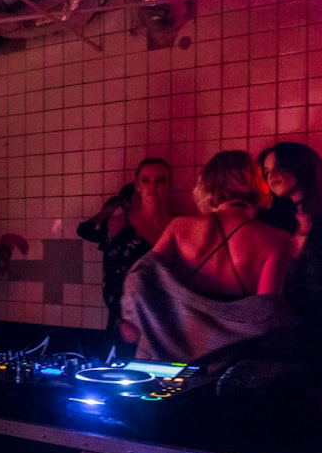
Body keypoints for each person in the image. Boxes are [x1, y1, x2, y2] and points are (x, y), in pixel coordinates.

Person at [120, 150, 295, 373]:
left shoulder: (180, 228)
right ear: (256, 183)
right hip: (229, 372)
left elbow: (138, 280)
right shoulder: (276, 241)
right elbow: (266, 318)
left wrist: (141, 322)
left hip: (171, 365)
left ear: (207, 183)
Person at [257, 142, 322, 398]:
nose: (271, 176)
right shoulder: (267, 221)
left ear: (302, 167)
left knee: (318, 409)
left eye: (278, 167)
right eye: (266, 171)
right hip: (273, 337)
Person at [78, 158, 173, 352]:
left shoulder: (177, 227)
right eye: (145, 180)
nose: (152, 187)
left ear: (169, 185)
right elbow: (112, 277)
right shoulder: (121, 224)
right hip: (128, 326)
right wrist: (122, 321)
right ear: (137, 186)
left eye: (160, 180)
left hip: (167, 324)